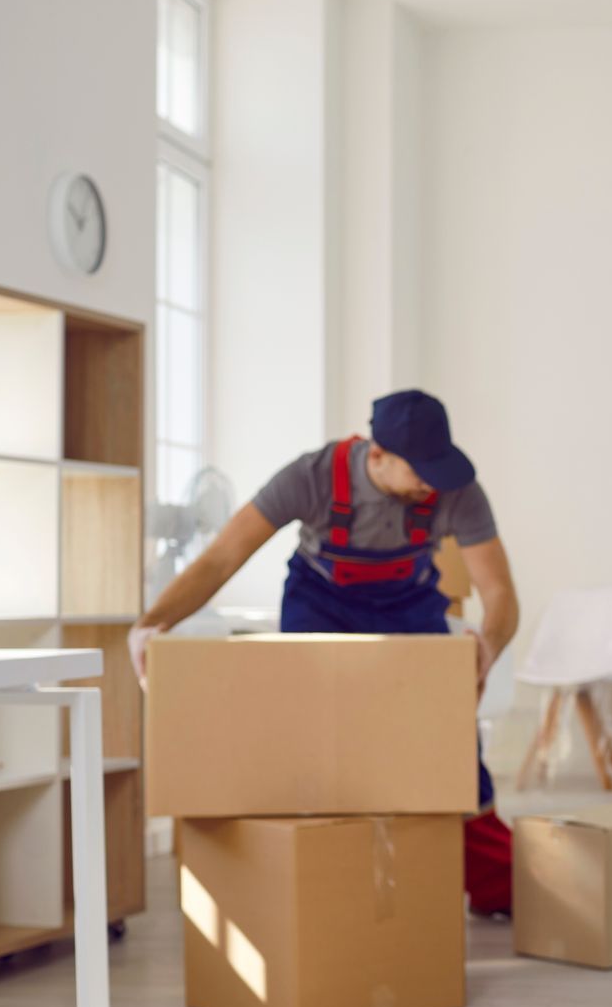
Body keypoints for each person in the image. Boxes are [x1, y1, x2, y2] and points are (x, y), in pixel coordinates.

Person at [127, 388, 520, 915]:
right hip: (322, 606)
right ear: (376, 454)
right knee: (313, 742)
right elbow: (222, 558)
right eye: (419, 471)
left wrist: (487, 643)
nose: (432, 484)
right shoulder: (310, 477)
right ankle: (316, 884)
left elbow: (498, 591)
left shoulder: (456, 492)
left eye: (437, 468)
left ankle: (494, 886)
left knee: (447, 740)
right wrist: (152, 624)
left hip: (409, 609)